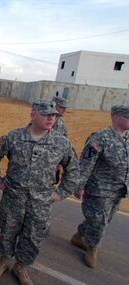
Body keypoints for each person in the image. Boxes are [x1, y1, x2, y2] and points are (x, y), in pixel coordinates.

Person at [0, 99, 79, 285]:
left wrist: (60, 193)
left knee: (34, 236)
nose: (51, 118)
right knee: (8, 231)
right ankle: (3, 260)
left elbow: (74, 170)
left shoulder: (61, 143)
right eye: (46, 114)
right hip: (13, 198)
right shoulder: (14, 137)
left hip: (41, 203)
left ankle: (21, 266)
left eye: (54, 115)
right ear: (33, 115)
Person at [70, 104, 129, 269]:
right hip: (99, 189)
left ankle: (80, 235)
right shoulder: (100, 138)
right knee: (99, 221)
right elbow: (86, 164)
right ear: (116, 117)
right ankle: (92, 248)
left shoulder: (127, 138)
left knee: (105, 219)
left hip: (119, 189)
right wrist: (80, 186)